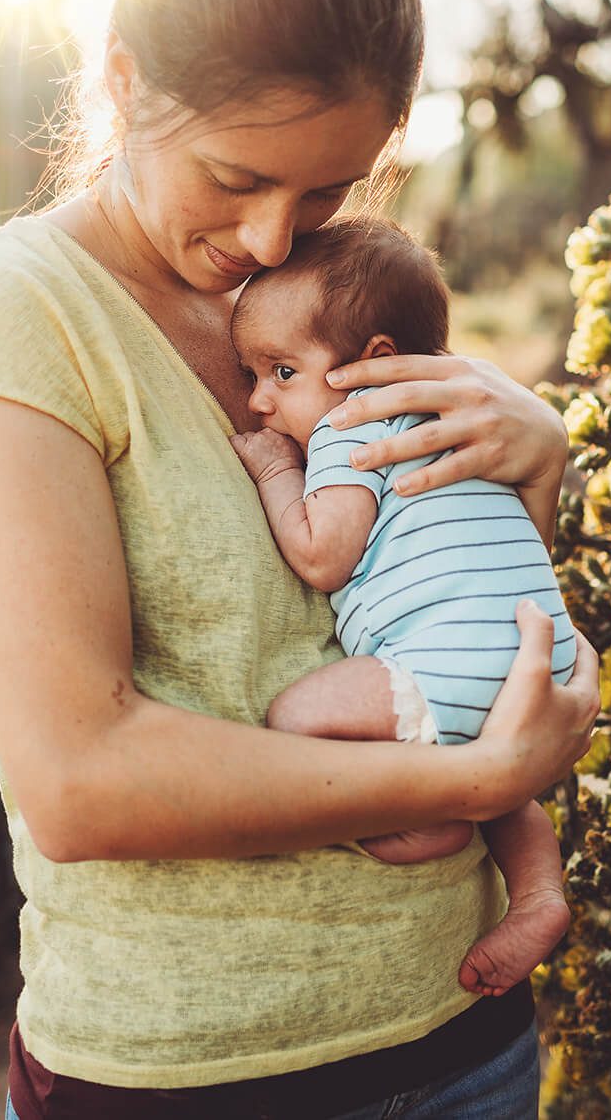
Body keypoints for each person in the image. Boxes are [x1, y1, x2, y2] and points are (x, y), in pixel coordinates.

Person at [0, 0, 598, 1119]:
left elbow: (436, 610)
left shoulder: (340, 295)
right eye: (234, 177)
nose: (272, 239)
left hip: (465, 1041)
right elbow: (79, 780)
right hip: (188, 1075)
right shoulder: (17, 311)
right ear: (122, 78)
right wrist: (469, 785)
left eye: (326, 186)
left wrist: (536, 457)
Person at [226, 217, 575, 1001]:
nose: (258, 400)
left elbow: (323, 553)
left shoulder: (355, 425)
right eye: (251, 374)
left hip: (445, 661)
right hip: (534, 659)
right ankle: (539, 892)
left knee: (294, 718)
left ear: (372, 362)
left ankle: (426, 817)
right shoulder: (460, 417)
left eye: (282, 371)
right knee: (501, 778)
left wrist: (277, 471)